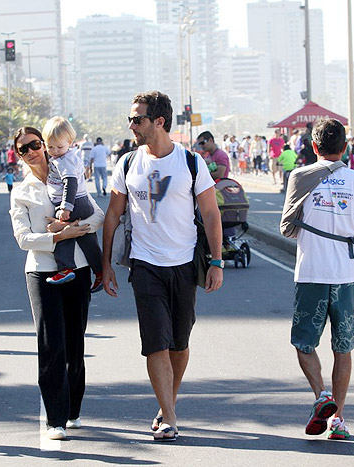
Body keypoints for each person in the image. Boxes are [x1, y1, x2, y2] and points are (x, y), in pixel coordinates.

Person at [101, 91, 223, 442]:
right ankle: (169, 415)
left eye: (137, 119)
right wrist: (106, 264)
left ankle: (167, 400)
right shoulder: (127, 163)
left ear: (159, 122)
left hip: (184, 264)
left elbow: (212, 213)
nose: (131, 125)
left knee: (179, 344)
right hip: (145, 265)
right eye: (131, 118)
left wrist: (216, 261)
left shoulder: (190, 162)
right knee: (155, 342)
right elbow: (113, 214)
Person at [282, 118, 354, 441]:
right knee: (344, 348)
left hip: (311, 273)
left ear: (314, 147)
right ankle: (338, 418)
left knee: (303, 343)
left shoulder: (299, 177)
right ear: (345, 148)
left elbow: (288, 224)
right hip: (349, 277)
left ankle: (321, 395)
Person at [10, 126, 104, 440]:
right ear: (19, 155)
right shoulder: (21, 190)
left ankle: (73, 410)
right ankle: (55, 419)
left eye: (35, 144)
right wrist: (57, 237)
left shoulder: (67, 172)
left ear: (45, 144)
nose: (32, 151)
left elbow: (98, 215)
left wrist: (76, 229)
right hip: (41, 272)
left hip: (77, 269)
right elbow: (23, 239)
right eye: (24, 149)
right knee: (51, 345)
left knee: (75, 345)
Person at [43, 117, 103, 292]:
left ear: (70, 142)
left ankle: (65, 267)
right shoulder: (65, 156)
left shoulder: (65, 160)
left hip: (73, 202)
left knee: (64, 232)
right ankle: (99, 271)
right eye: (50, 147)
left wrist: (65, 207)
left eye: (59, 147)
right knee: (86, 237)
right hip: (80, 202)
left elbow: (71, 183)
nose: (55, 151)